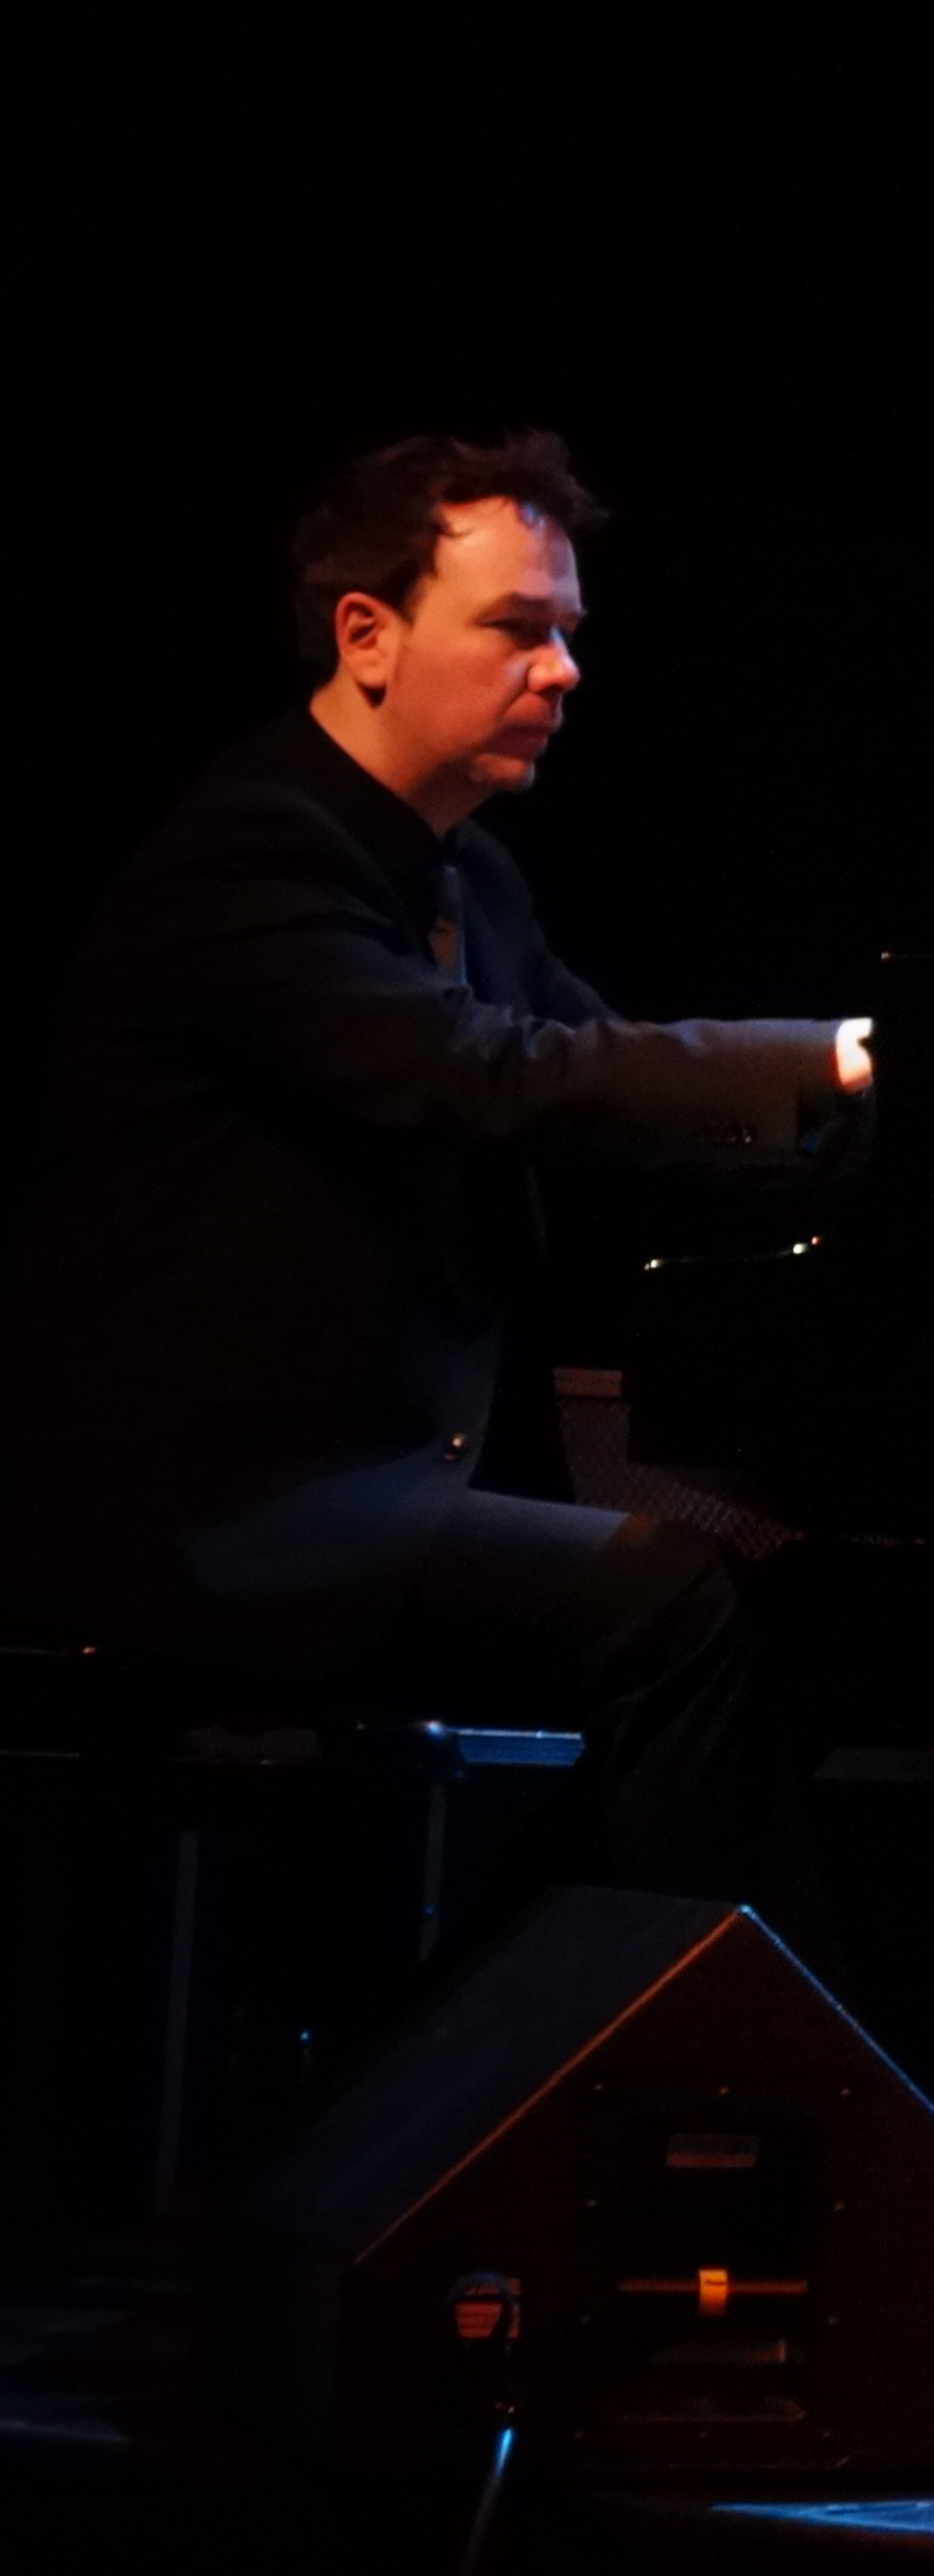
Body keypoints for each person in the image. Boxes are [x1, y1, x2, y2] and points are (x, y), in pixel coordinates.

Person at [0, 434, 869, 1874]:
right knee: (676, 1599)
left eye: (570, 635)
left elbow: (613, 1092)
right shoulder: (253, 857)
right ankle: (650, 2054)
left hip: (372, 1488)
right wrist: (829, 1050)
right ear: (368, 635)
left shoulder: (470, 874)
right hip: (220, 1516)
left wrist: (915, 1088)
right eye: (519, 630)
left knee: (817, 1618)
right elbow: (491, 1075)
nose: (565, 672)